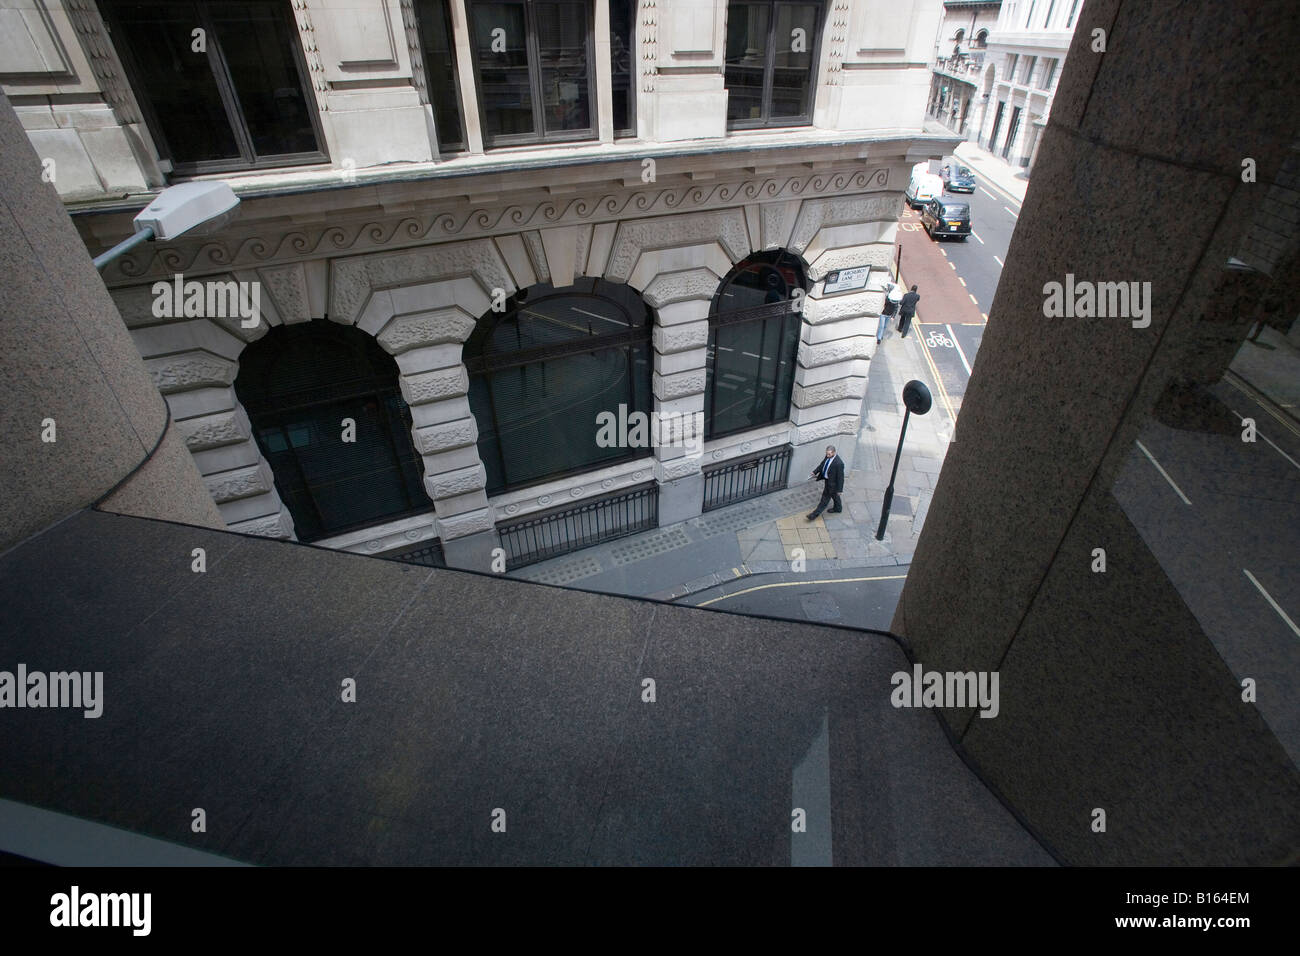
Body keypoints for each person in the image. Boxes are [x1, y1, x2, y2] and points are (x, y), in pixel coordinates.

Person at [806, 445, 845, 520]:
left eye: (829, 454)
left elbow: (841, 478)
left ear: (834, 452)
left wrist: (840, 490)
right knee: (835, 496)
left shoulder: (839, 463)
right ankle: (838, 508)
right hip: (827, 481)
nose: (827, 455)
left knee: (824, 499)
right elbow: (822, 465)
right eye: (827, 454)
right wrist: (815, 472)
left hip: (833, 485)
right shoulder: (828, 457)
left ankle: (813, 515)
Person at [878, 279, 903, 344]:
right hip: (883, 314)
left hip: (889, 315)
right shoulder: (888, 298)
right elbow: (884, 303)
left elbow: (896, 309)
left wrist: (893, 316)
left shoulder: (896, 300)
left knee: (885, 326)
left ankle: (881, 335)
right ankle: (879, 338)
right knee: (881, 326)